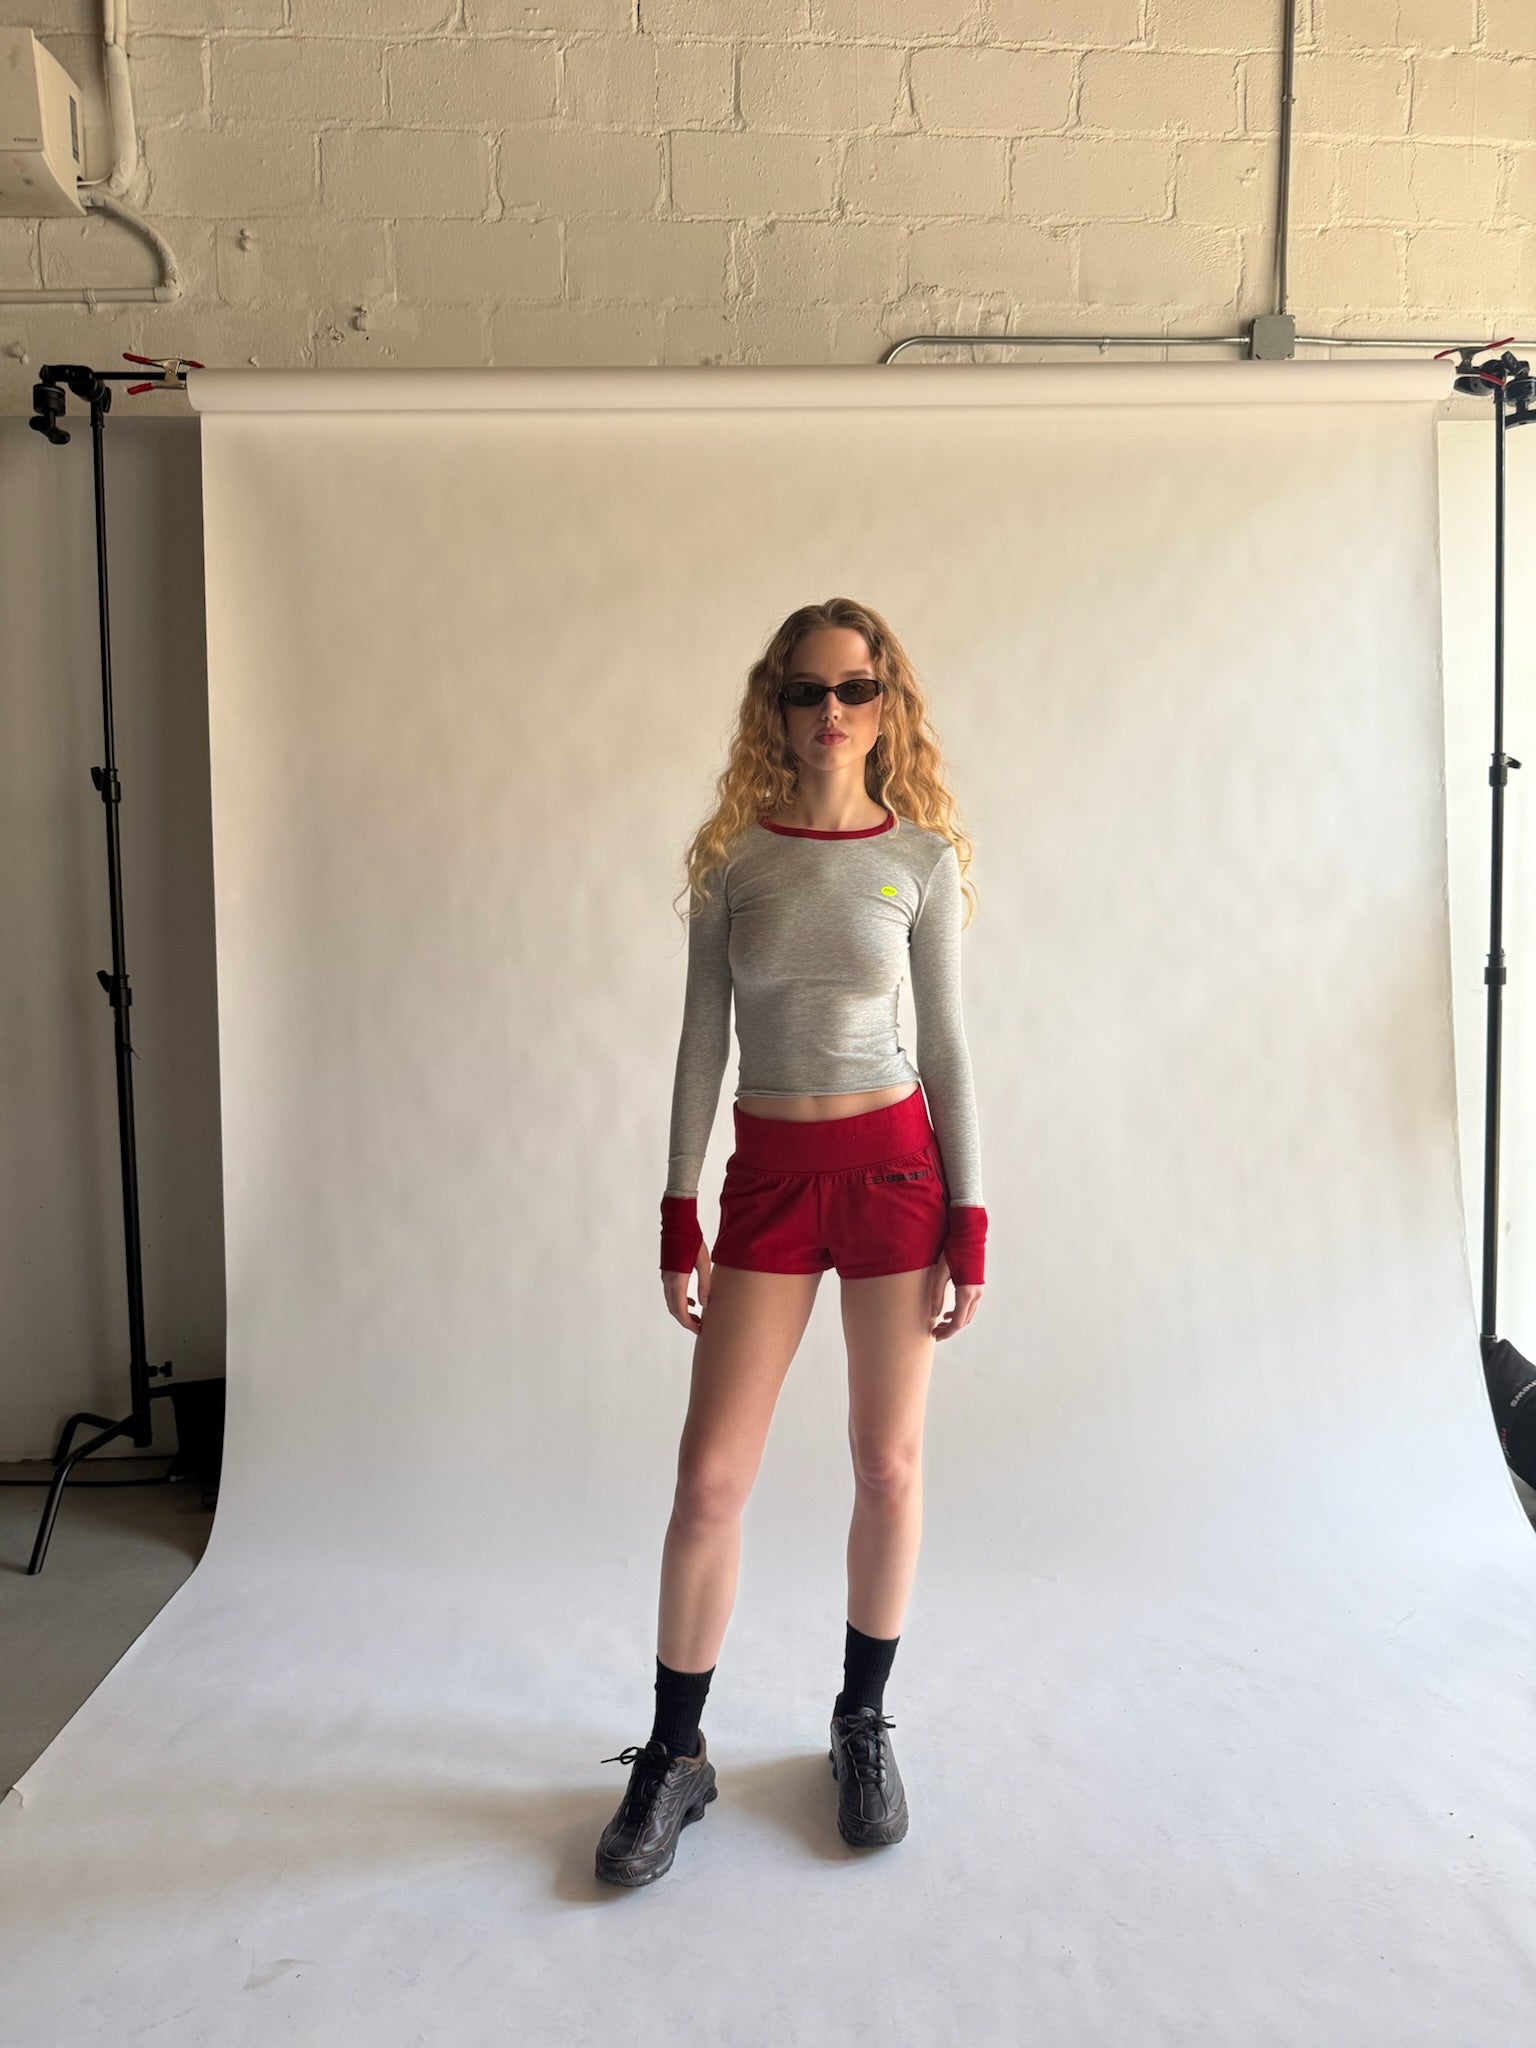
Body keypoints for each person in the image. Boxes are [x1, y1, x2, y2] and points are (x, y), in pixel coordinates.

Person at [595, 597, 987, 1888]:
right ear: (777, 707)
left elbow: (946, 1052)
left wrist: (968, 1217)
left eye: (856, 690)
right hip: (767, 1185)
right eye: (808, 692)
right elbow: (700, 1043)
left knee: (887, 1465)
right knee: (709, 1481)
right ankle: (674, 1752)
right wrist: (675, 1204)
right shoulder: (736, 866)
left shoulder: (919, 862)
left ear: (888, 707)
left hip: (890, 1183)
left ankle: (859, 1724)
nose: (832, 714)